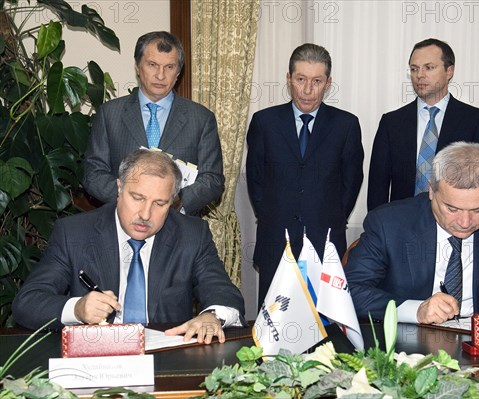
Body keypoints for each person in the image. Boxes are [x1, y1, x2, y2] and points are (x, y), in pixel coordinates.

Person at [13, 149, 244, 344]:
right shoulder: (74, 233)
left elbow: (223, 292)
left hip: (167, 354)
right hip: (97, 356)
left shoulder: (192, 234)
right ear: (119, 188)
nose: (145, 214)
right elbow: (27, 303)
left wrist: (212, 316)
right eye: (137, 198)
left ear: (173, 202)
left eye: (159, 203)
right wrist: (77, 308)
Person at [346, 142, 479, 323]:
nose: (465, 222)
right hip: (408, 349)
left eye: (478, 209)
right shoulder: (390, 224)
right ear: (432, 190)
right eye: (452, 208)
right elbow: (351, 292)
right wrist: (416, 310)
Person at [246, 43, 364, 307]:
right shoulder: (264, 122)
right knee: (272, 325)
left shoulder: (346, 125)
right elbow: (256, 181)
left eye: (317, 81)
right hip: (276, 241)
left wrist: (327, 216)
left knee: (324, 328)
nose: (308, 90)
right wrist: (274, 215)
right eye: (300, 79)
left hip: (325, 243)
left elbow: (351, 182)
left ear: (328, 83)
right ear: (289, 79)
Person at [84, 31, 224, 215]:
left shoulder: (201, 118)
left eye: (169, 67)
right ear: (137, 67)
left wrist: (176, 200)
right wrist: (131, 199)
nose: (160, 75)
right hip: (120, 221)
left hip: (178, 225)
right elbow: (93, 174)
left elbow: (212, 179)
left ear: (178, 72)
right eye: (152, 65)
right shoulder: (109, 114)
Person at [367, 38, 479, 211]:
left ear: (449, 71)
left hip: (458, 222)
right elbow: (378, 185)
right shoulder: (392, 123)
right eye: (414, 69)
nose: (420, 75)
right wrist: (377, 225)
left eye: (429, 68)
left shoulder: (475, 120)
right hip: (401, 224)